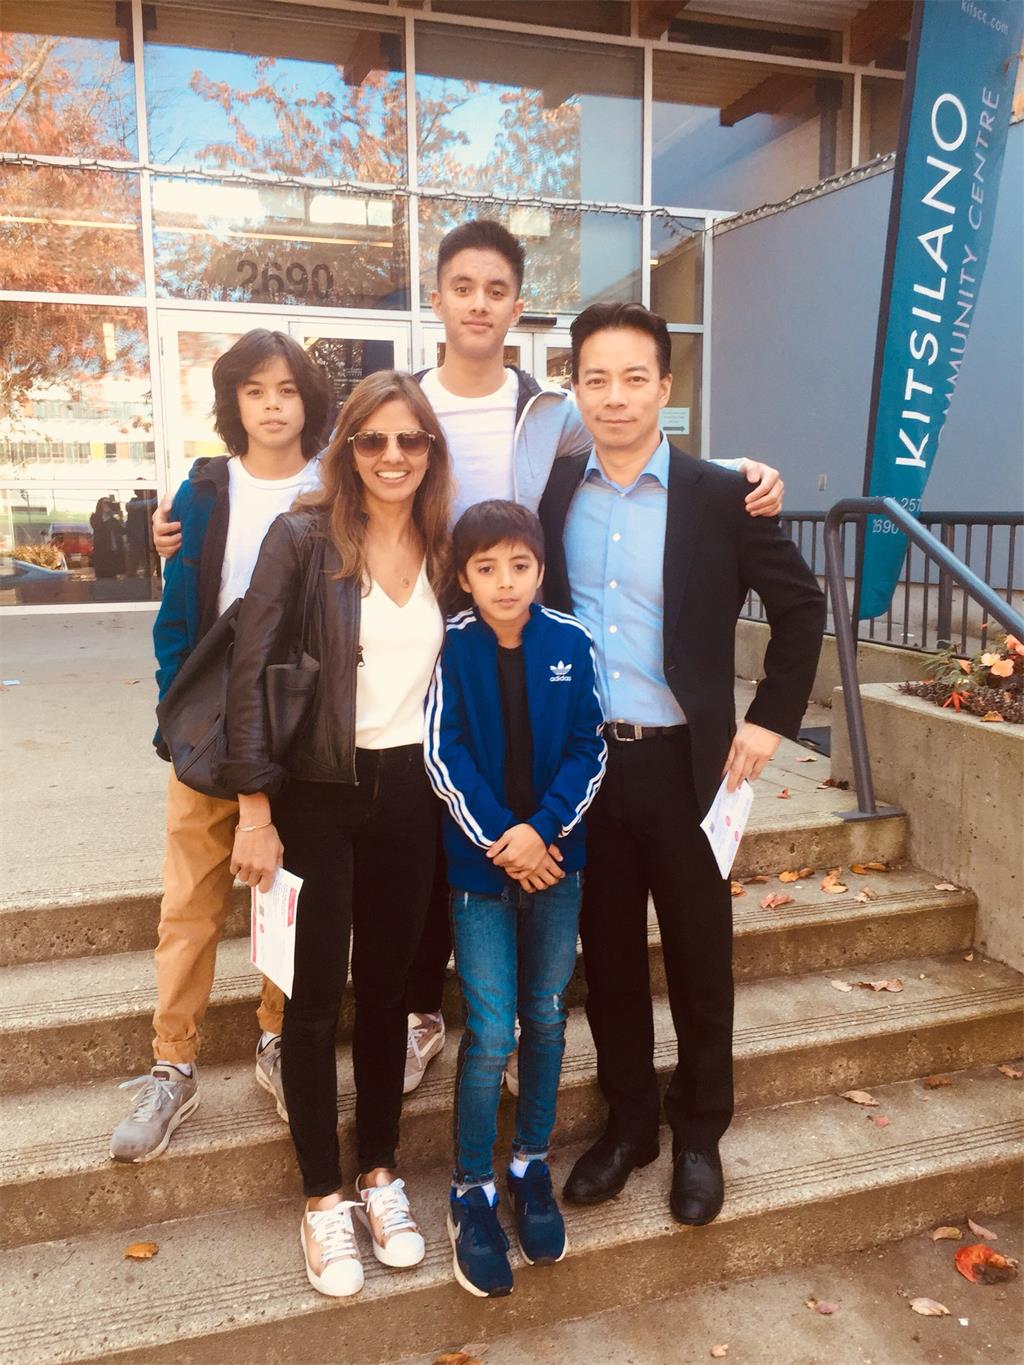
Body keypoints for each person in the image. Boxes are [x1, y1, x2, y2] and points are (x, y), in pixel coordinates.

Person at [153, 219, 787, 1096]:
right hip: (402, 657)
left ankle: (522, 1024)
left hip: (522, 659)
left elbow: (632, 454)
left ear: (518, 307)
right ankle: (410, 1015)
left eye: (496, 291)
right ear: (438, 299)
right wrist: (187, 521)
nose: (479, 304)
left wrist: (732, 471)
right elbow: (307, 487)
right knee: (421, 850)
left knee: (512, 830)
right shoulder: (398, 405)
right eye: (463, 288)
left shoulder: (552, 415)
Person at [538, 303, 826, 1228]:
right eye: (596, 378)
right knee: (611, 959)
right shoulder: (555, 491)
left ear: (665, 386)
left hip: (690, 768)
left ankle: (699, 1130)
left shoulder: (719, 493)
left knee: (701, 959)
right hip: (590, 769)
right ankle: (630, 1125)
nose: (615, 396)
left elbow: (802, 606)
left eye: (635, 378)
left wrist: (770, 720)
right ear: (575, 388)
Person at [219, 371, 452, 1298]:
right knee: (314, 1003)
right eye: (373, 439)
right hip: (316, 794)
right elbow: (250, 672)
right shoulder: (303, 537)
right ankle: (322, 1194)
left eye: (410, 440)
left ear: (430, 450)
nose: (393, 456)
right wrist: (254, 809)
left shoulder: (443, 541)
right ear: (347, 447)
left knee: (390, 994)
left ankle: (380, 1171)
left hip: (412, 795)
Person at [110, 330, 330, 1163]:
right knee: (190, 904)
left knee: (284, 900)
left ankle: (277, 1037)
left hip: (300, 726)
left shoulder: (333, 484)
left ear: (309, 400)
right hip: (209, 728)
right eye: (255, 391)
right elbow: (177, 613)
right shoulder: (204, 489)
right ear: (234, 402)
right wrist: (177, 715)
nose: (272, 406)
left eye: (287, 389)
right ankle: (173, 1062)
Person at [424, 499, 605, 1298]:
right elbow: (444, 752)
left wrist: (544, 830)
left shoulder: (571, 640)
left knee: (547, 1015)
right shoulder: (452, 645)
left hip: (558, 862)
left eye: (520, 565)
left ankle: (530, 1163)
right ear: (464, 577)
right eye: (487, 567)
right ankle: (470, 1186)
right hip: (482, 871)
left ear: (540, 569)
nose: (505, 582)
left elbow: (589, 746)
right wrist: (506, 838)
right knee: (493, 1028)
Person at [90, 496, 127, 578]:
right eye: (105, 503)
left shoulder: (113, 520)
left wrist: (120, 518)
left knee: (112, 576)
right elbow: (97, 527)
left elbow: (123, 530)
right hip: (101, 551)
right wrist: (107, 516)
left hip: (113, 552)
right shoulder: (95, 517)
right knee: (102, 576)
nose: (107, 505)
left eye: (109, 503)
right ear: (100, 505)